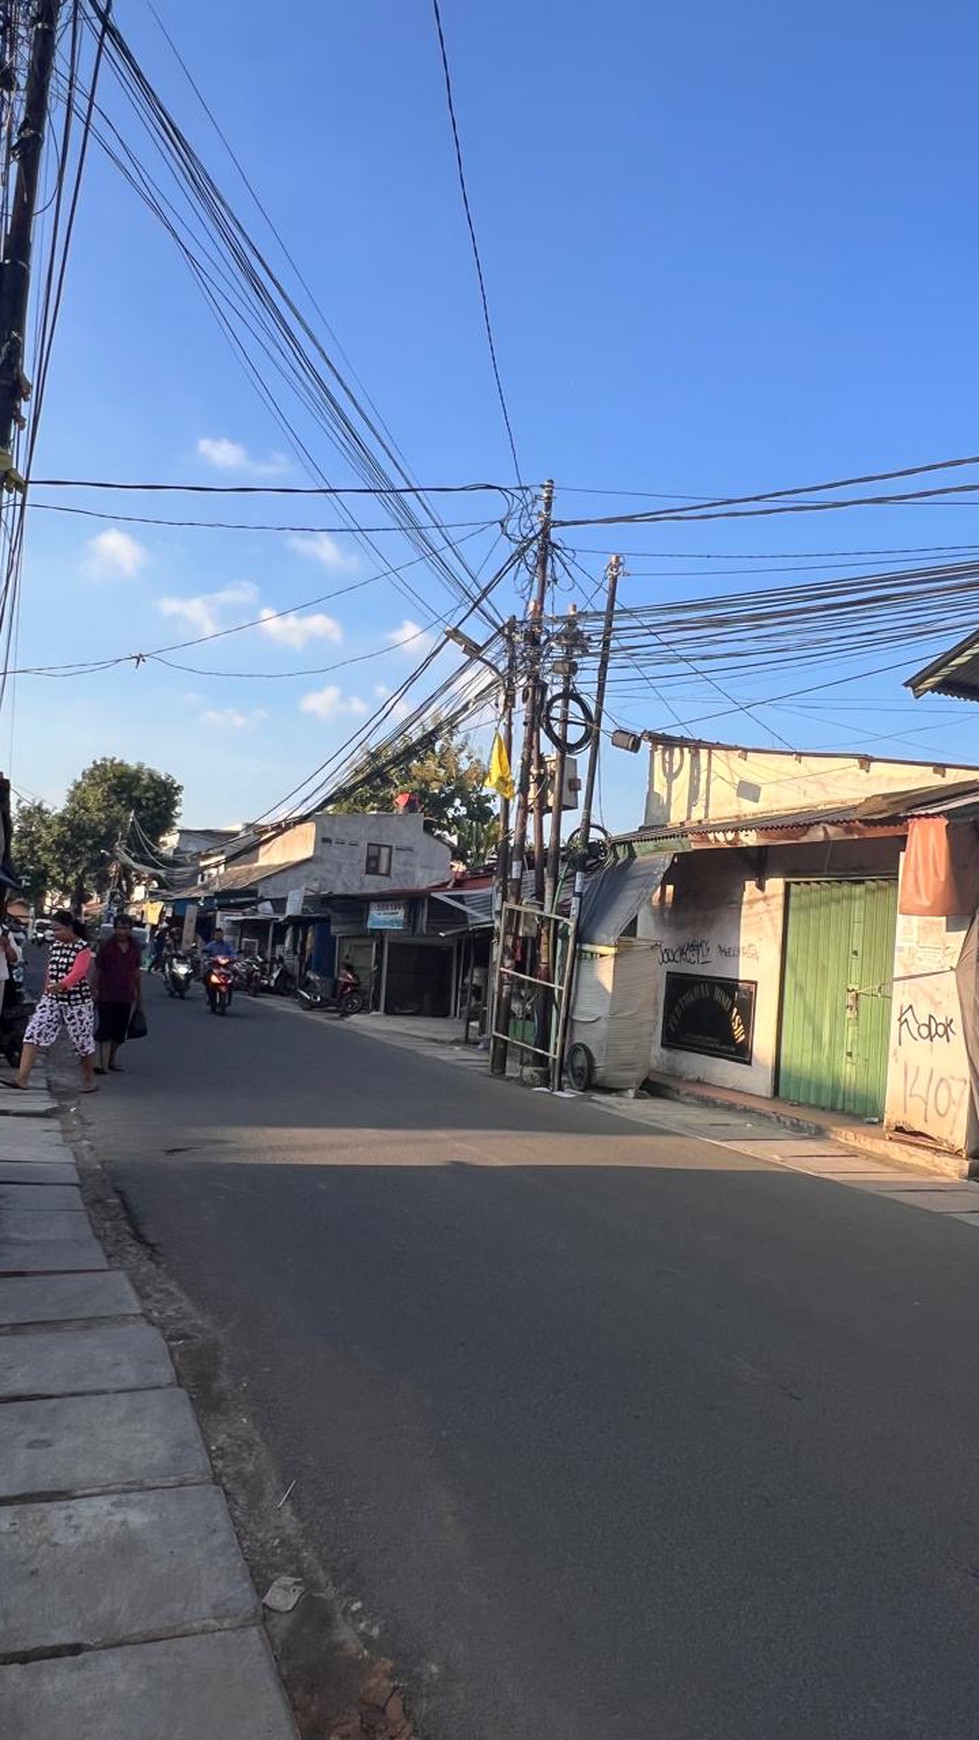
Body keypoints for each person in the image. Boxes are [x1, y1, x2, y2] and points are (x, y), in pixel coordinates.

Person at [7, 910, 97, 1093]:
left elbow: (79, 972)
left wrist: (63, 985)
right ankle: (22, 1078)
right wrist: (47, 992)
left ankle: (89, 1080)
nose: (55, 934)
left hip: (76, 1002)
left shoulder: (83, 948)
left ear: (70, 928)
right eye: (53, 930)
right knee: (32, 1033)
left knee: (82, 1042)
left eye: (58, 929)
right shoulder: (55, 946)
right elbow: (50, 971)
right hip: (52, 999)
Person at [93, 912, 142, 1075]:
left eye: (126, 928)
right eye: (120, 928)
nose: (122, 932)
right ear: (114, 929)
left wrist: (139, 994)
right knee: (105, 1028)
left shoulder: (135, 947)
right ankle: (102, 1063)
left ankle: (111, 1059)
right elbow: (98, 969)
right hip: (107, 993)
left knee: (120, 1032)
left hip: (126, 994)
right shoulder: (106, 946)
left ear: (130, 930)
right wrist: (93, 989)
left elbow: (136, 971)